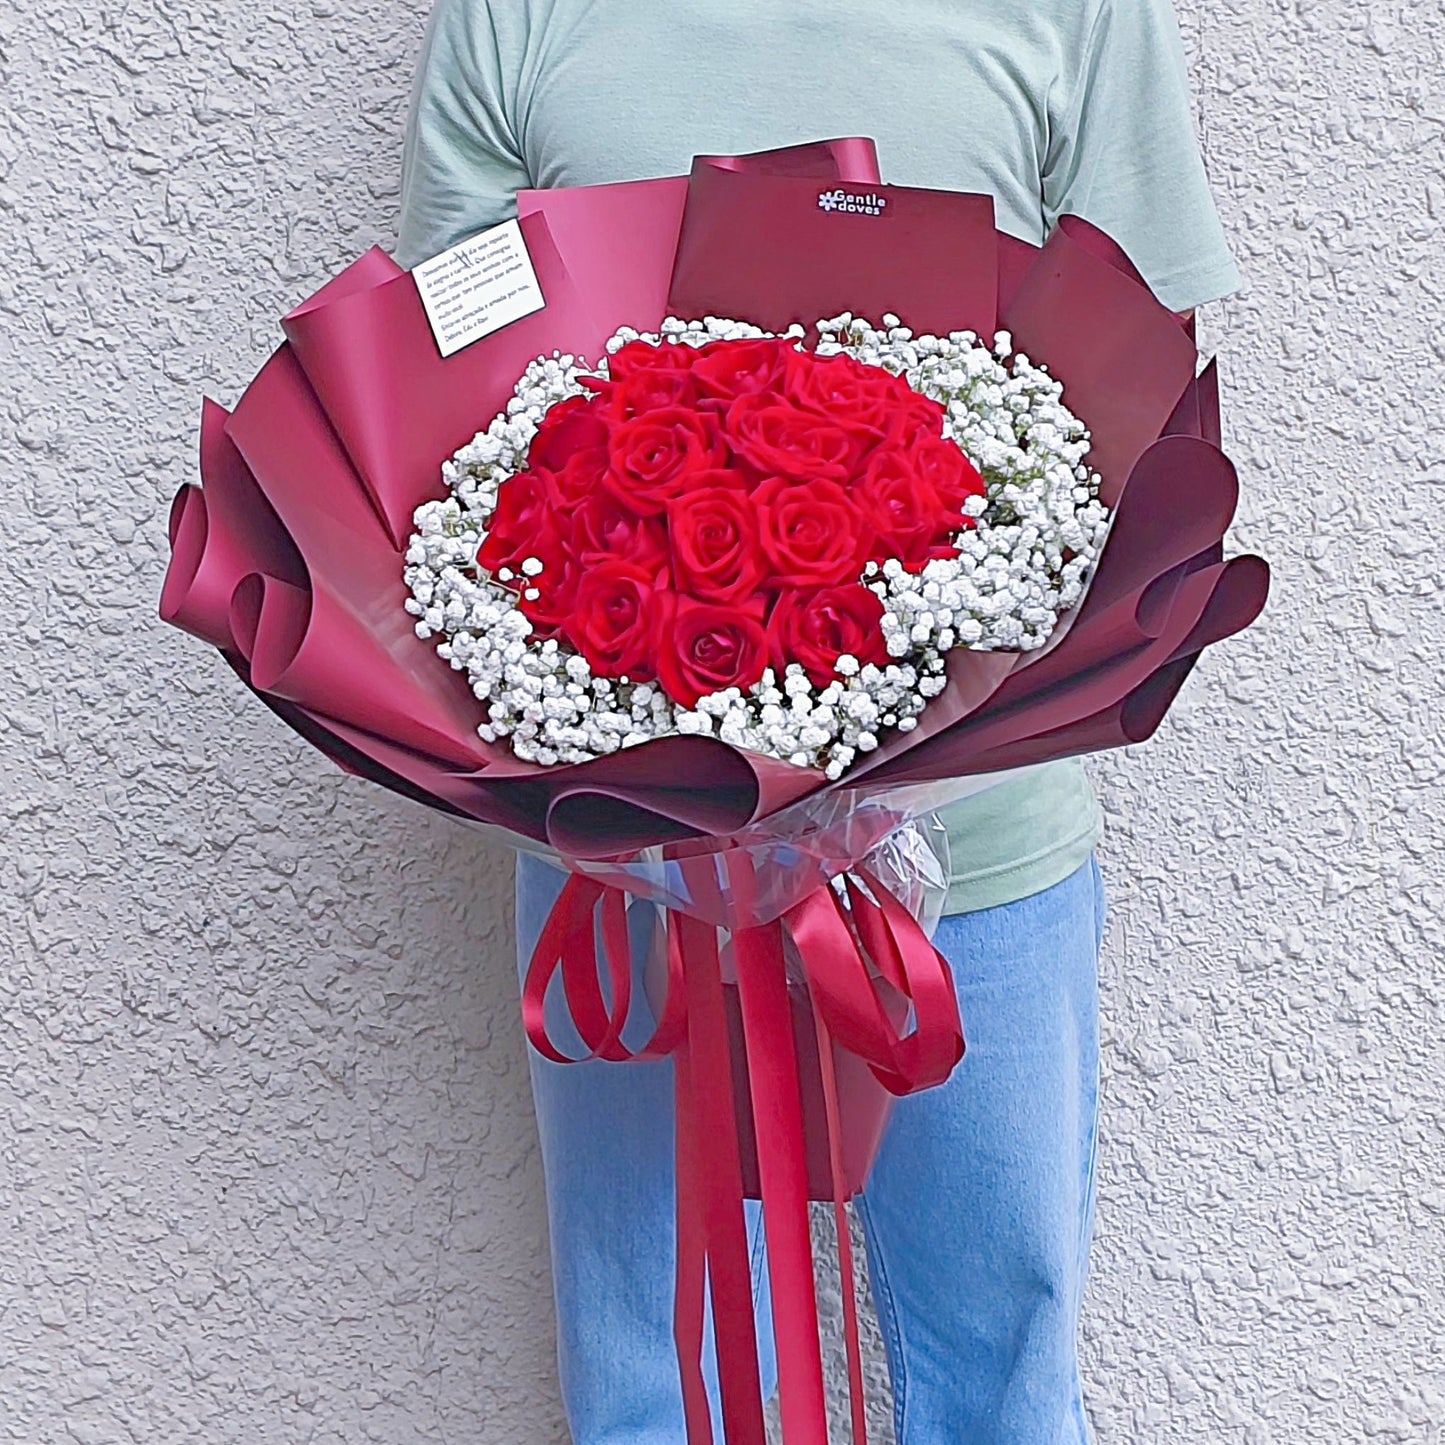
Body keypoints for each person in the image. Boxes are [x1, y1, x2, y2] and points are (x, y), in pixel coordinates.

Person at [396, 4, 1240, 1440]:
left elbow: (1137, 391)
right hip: (624, 867)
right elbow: (443, 392)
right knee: (649, 1378)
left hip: (979, 861)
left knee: (999, 1370)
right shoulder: (517, 16)